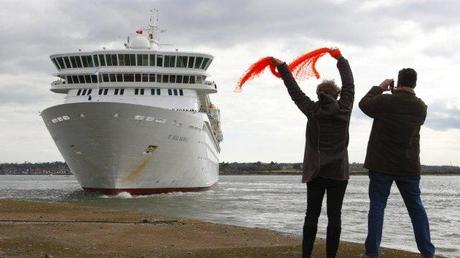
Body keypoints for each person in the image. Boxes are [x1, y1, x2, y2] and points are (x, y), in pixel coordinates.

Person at [272, 49, 354, 258]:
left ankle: (306, 255)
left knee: (312, 215)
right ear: (336, 95)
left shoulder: (312, 110)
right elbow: (350, 85)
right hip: (338, 172)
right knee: (335, 216)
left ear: (319, 95)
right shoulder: (345, 109)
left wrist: (283, 66)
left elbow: (294, 91)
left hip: (315, 172)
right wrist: (340, 60)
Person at [359, 69, 435, 258]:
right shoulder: (421, 107)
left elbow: (363, 105)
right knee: (416, 208)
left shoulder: (385, 101)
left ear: (398, 82)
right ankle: (427, 252)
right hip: (408, 167)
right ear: (414, 84)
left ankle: (372, 252)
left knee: (377, 206)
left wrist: (380, 88)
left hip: (381, 165)